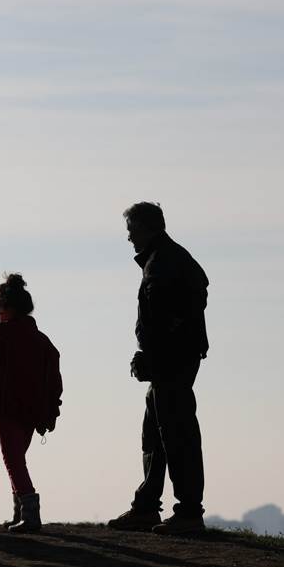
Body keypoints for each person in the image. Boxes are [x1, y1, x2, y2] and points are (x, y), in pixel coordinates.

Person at [107, 202, 210, 536]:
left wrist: (149, 356)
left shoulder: (161, 263)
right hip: (175, 359)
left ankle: (188, 512)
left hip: (170, 362)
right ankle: (147, 505)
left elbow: (164, 319)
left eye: (132, 231)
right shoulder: (169, 258)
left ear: (147, 228)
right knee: (156, 430)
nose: (129, 239)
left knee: (175, 432)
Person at [0, 274, 62, 533]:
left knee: (13, 460)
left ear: (4, 307)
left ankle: (29, 513)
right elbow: (55, 380)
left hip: (8, 407)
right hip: (33, 411)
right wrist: (52, 409)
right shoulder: (42, 341)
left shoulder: (3, 335)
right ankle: (19, 512)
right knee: (17, 459)